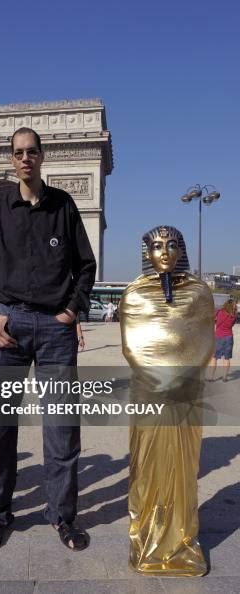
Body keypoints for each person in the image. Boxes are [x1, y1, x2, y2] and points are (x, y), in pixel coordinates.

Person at [0, 127, 96, 552]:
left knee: (62, 428)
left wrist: (71, 311)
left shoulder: (65, 204)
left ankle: (62, 517)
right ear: (11, 158)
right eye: (19, 153)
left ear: (43, 157)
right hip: (10, 326)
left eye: (32, 152)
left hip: (56, 330)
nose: (26, 159)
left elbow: (85, 265)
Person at [120, 225, 214, 576]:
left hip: (187, 392)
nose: (164, 252)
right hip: (150, 391)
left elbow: (204, 342)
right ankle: (145, 535)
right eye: (157, 246)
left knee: (184, 469)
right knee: (148, 466)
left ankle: (180, 538)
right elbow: (133, 347)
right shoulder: (134, 294)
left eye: (172, 245)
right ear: (146, 252)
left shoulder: (200, 292)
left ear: (181, 250)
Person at [209, 298, 237, 382]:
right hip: (229, 337)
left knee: (214, 357)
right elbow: (231, 325)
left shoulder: (219, 312)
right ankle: (224, 377)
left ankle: (211, 377)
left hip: (218, 337)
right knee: (227, 358)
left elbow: (213, 320)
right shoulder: (234, 316)